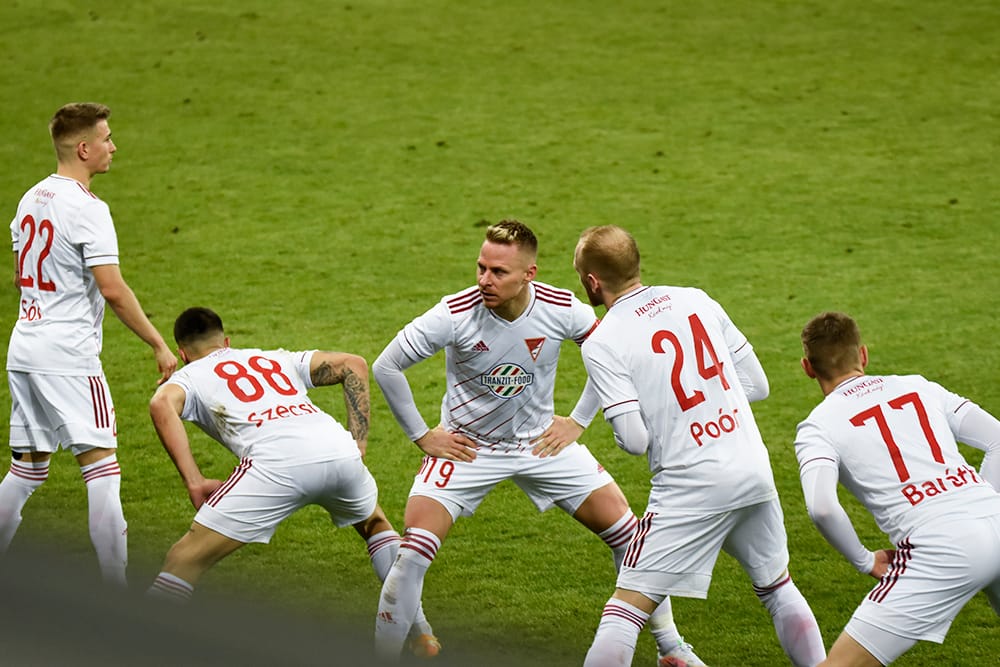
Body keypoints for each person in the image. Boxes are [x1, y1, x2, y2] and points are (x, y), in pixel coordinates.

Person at [372, 220, 701, 666]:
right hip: (469, 448)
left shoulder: (561, 307)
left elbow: (611, 355)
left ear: (529, 274)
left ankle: (671, 648)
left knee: (631, 535)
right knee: (413, 553)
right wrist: (422, 435)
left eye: (498, 272)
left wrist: (579, 421)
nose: (485, 280)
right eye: (481, 267)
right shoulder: (453, 313)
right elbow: (386, 366)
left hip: (540, 445)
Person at [574, 225, 826, 667]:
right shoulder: (696, 299)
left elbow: (633, 440)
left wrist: (666, 415)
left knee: (625, 610)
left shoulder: (603, 340)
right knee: (777, 587)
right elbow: (758, 385)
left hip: (689, 486)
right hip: (750, 469)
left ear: (593, 282)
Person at [145, 307, 440, 658]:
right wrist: (357, 442)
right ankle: (421, 633)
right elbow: (354, 364)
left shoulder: (189, 376)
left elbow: (161, 405)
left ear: (181, 353)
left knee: (183, 559)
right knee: (375, 524)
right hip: (336, 448)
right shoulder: (273, 357)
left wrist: (194, 481)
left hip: (275, 465)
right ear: (227, 342)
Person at [0, 102, 178, 585]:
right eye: (106, 139)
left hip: (25, 346)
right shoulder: (88, 209)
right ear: (84, 148)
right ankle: (115, 590)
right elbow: (113, 289)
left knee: (28, 470)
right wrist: (158, 344)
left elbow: (19, 278)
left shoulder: (29, 198)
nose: (113, 146)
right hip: (68, 354)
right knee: (102, 469)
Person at [795, 311, 1000, 666]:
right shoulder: (920, 386)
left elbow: (822, 507)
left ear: (808, 368)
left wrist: (864, 560)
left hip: (940, 549)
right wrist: (983, 501)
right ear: (863, 354)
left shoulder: (817, 427)